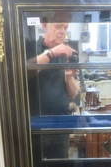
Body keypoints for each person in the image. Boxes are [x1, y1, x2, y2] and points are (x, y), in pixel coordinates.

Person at [26, 12, 81, 158]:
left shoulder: (66, 53)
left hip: (60, 126)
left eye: (65, 27)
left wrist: (69, 77)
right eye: (58, 26)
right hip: (38, 125)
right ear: (45, 25)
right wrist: (51, 53)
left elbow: (72, 94)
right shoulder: (32, 47)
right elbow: (25, 71)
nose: (62, 31)